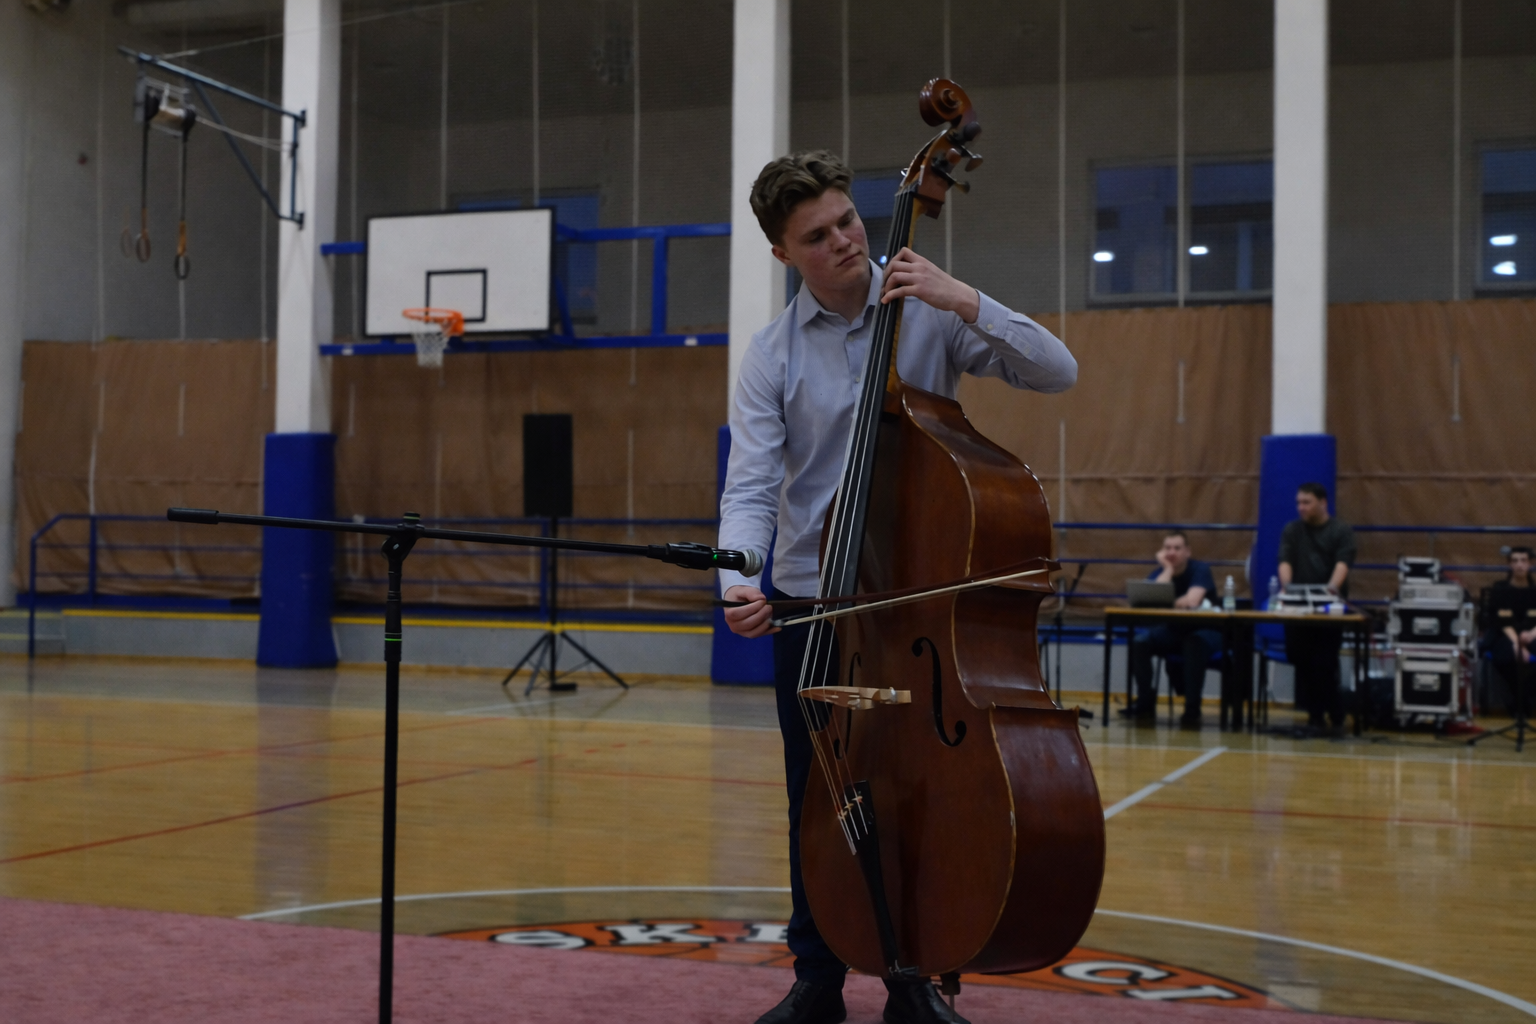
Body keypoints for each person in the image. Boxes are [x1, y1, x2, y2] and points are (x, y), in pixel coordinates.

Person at [717, 151, 1077, 1024]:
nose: (844, 241)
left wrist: (964, 299)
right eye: (817, 236)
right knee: (819, 796)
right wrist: (739, 578)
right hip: (816, 604)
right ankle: (817, 979)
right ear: (783, 255)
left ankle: (915, 975)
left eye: (847, 220)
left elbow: (1056, 370)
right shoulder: (770, 354)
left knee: (922, 792)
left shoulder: (927, 307)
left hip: (918, 602)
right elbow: (752, 485)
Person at [1118, 531, 1221, 729]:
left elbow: (1191, 601)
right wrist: (1167, 569)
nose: (1171, 552)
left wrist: (1167, 601)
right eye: (1167, 548)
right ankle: (1145, 702)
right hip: (1174, 630)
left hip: (1207, 631)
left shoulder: (1200, 570)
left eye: (1177, 548)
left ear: (1188, 551)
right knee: (1140, 642)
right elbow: (1152, 599)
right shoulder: (1161, 572)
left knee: (1193, 643)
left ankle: (1192, 708)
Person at [1277, 482, 1357, 734]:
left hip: (1328, 608)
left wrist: (1329, 590)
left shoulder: (1341, 531)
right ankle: (1322, 712)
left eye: (1306, 502)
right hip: (1298, 606)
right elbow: (1285, 561)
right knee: (1299, 656)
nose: (1301, 507)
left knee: (1324, 661)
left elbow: (1342, 564)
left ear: (1323, 503)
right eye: (1298, 503)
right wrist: (1288, 588)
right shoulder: (1292, 530)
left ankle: (1327, 714)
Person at [1482, 546, 1536, 715]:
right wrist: (1516, 643)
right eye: (1515, 561)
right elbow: (1501, 621)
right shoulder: (1500, 589)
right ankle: (1520, 701)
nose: (1519, 564)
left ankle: (1523, 699)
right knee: (1505, 657)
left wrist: (1531, 635)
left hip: (1532, 634)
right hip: (1506, 634)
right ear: (1509, 564)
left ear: (1530, 564)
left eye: (1523, 560)